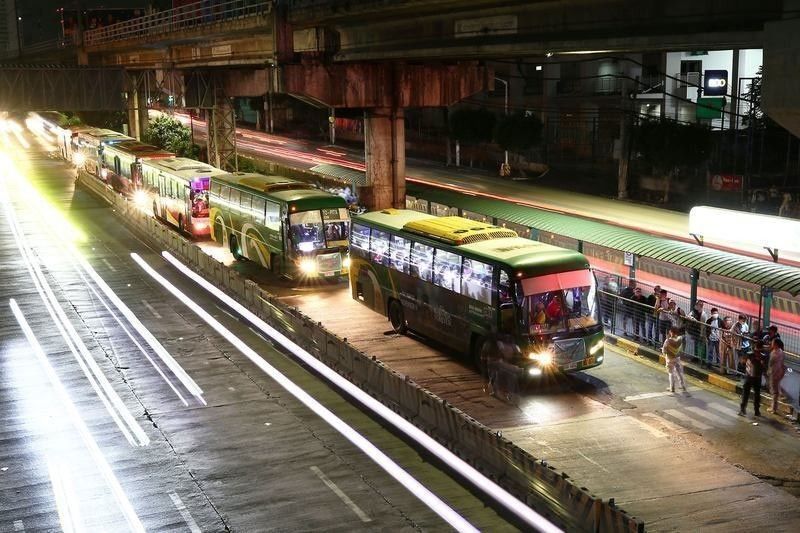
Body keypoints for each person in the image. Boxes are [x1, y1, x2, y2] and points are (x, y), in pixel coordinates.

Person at [739, 341, 765, 417]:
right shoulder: (751, 355)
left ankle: (753, 410)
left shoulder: (758, 356)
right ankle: (748, 409)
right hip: (751, 377)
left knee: (753, 395)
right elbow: (743, 362)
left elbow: (743, 362)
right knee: (750, 394)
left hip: (754, 377)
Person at [662, 327, 687, 393]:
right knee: (679, 372)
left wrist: (665, 353)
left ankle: (672, 387)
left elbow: (664, 350)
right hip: (677, 358)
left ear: (671, 332)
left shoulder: (668, 341)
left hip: (670, 359)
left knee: (671, 373)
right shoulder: (680, 339)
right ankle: (683, 385)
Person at [767, 339, 787, 413]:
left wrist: (769, 371)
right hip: (778, 373)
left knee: (774, 391)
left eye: (772, 343)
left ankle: (774, 408)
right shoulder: (781, 352)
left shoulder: (775, 353)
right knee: (776, 390)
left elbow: (771, 363)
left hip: (774, 373)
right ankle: (774, 406)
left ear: (776, 344)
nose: (771, 344)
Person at [688, 300, 708, 365]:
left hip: (702, 332)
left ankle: (703, 360)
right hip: (696, 331)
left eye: (699, 305)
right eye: (697, 304)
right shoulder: (694, 312)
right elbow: (688, 316)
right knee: (696, 344)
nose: (696, 306)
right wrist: (692, 319)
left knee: (702, 346)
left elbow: (704, 326)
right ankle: (696, 357)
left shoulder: (703, 314)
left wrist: (703, 334)